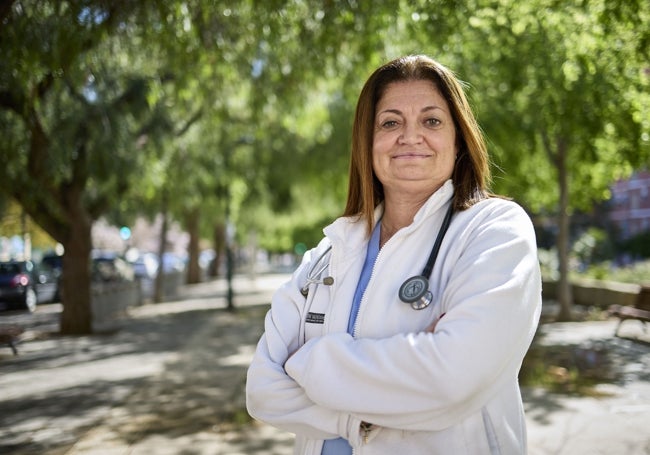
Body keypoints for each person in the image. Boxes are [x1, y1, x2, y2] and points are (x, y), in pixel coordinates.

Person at [246, 55, 542, 454]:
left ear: (458, 140)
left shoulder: (494, 231)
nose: (410, 136)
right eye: (390, 122)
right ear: (367, 143)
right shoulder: (328, 252)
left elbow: (451, 377)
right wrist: (357, 419)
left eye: (432, 121)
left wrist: (308, 362)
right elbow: (262, 390)